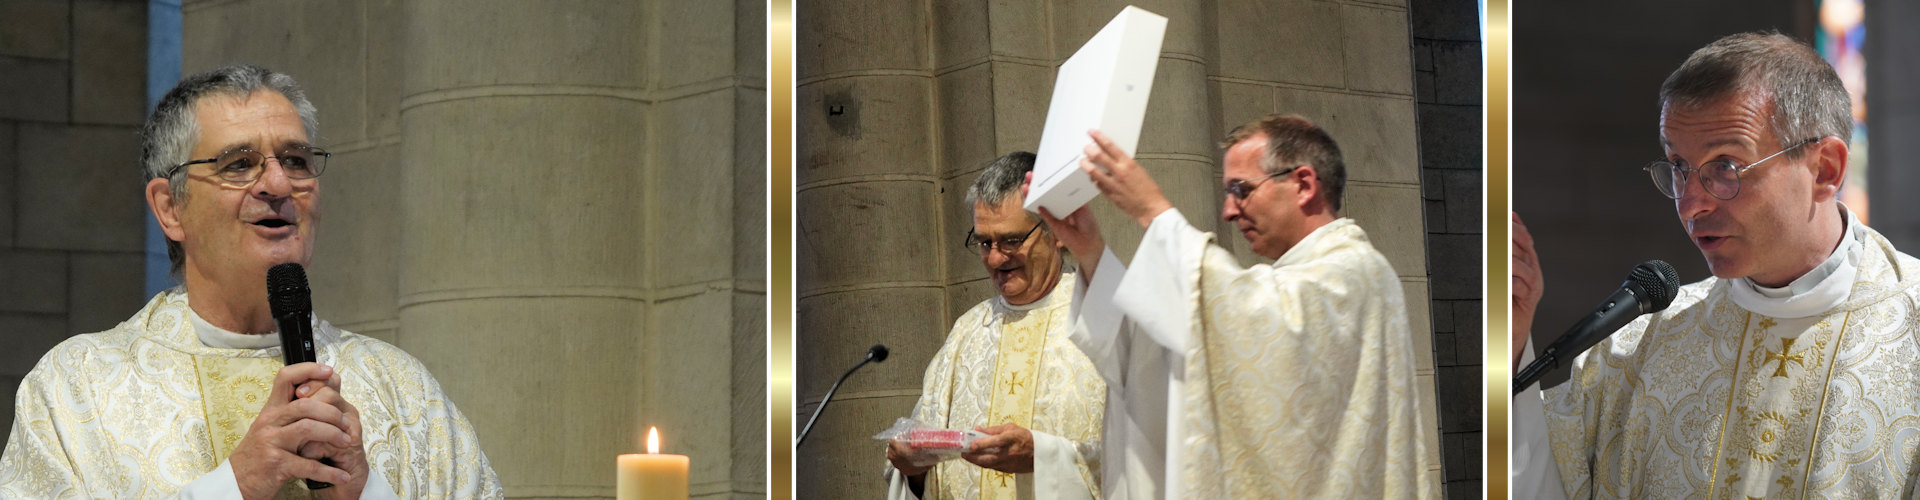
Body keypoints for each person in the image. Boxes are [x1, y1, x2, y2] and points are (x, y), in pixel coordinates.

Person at [0, 65, 502, 498]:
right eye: (239, 164)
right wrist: (237, 485)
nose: (278, 184)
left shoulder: (403, 390)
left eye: (296, 161)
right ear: (170, 208)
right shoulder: (77, 387)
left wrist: (363, 493)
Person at [1509, 32, 1920, 498]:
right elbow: (1540, 479)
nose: (1690, 205)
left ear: (1825, 169)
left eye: (1725, 165)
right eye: (1679, 166)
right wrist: (1513, 342)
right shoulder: (1634, 348)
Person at [1049, 114, 1440, 498]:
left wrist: (1152, 209)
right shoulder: (1304, 278)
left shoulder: (1356, 271)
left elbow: (1256, 320)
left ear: (1304, 184)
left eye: (1241, 189)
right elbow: (1159, 352)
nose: (1228, 211)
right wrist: (1091, 253)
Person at [883, 152, 1105, 500]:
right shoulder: (967, 332)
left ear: (1059, 232)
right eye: (985, 242)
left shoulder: (1101, 320)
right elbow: (919, 457)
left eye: (1012, 240)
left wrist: (1042, 456)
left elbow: (1149, 457)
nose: (996, 258)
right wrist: (913, 470)